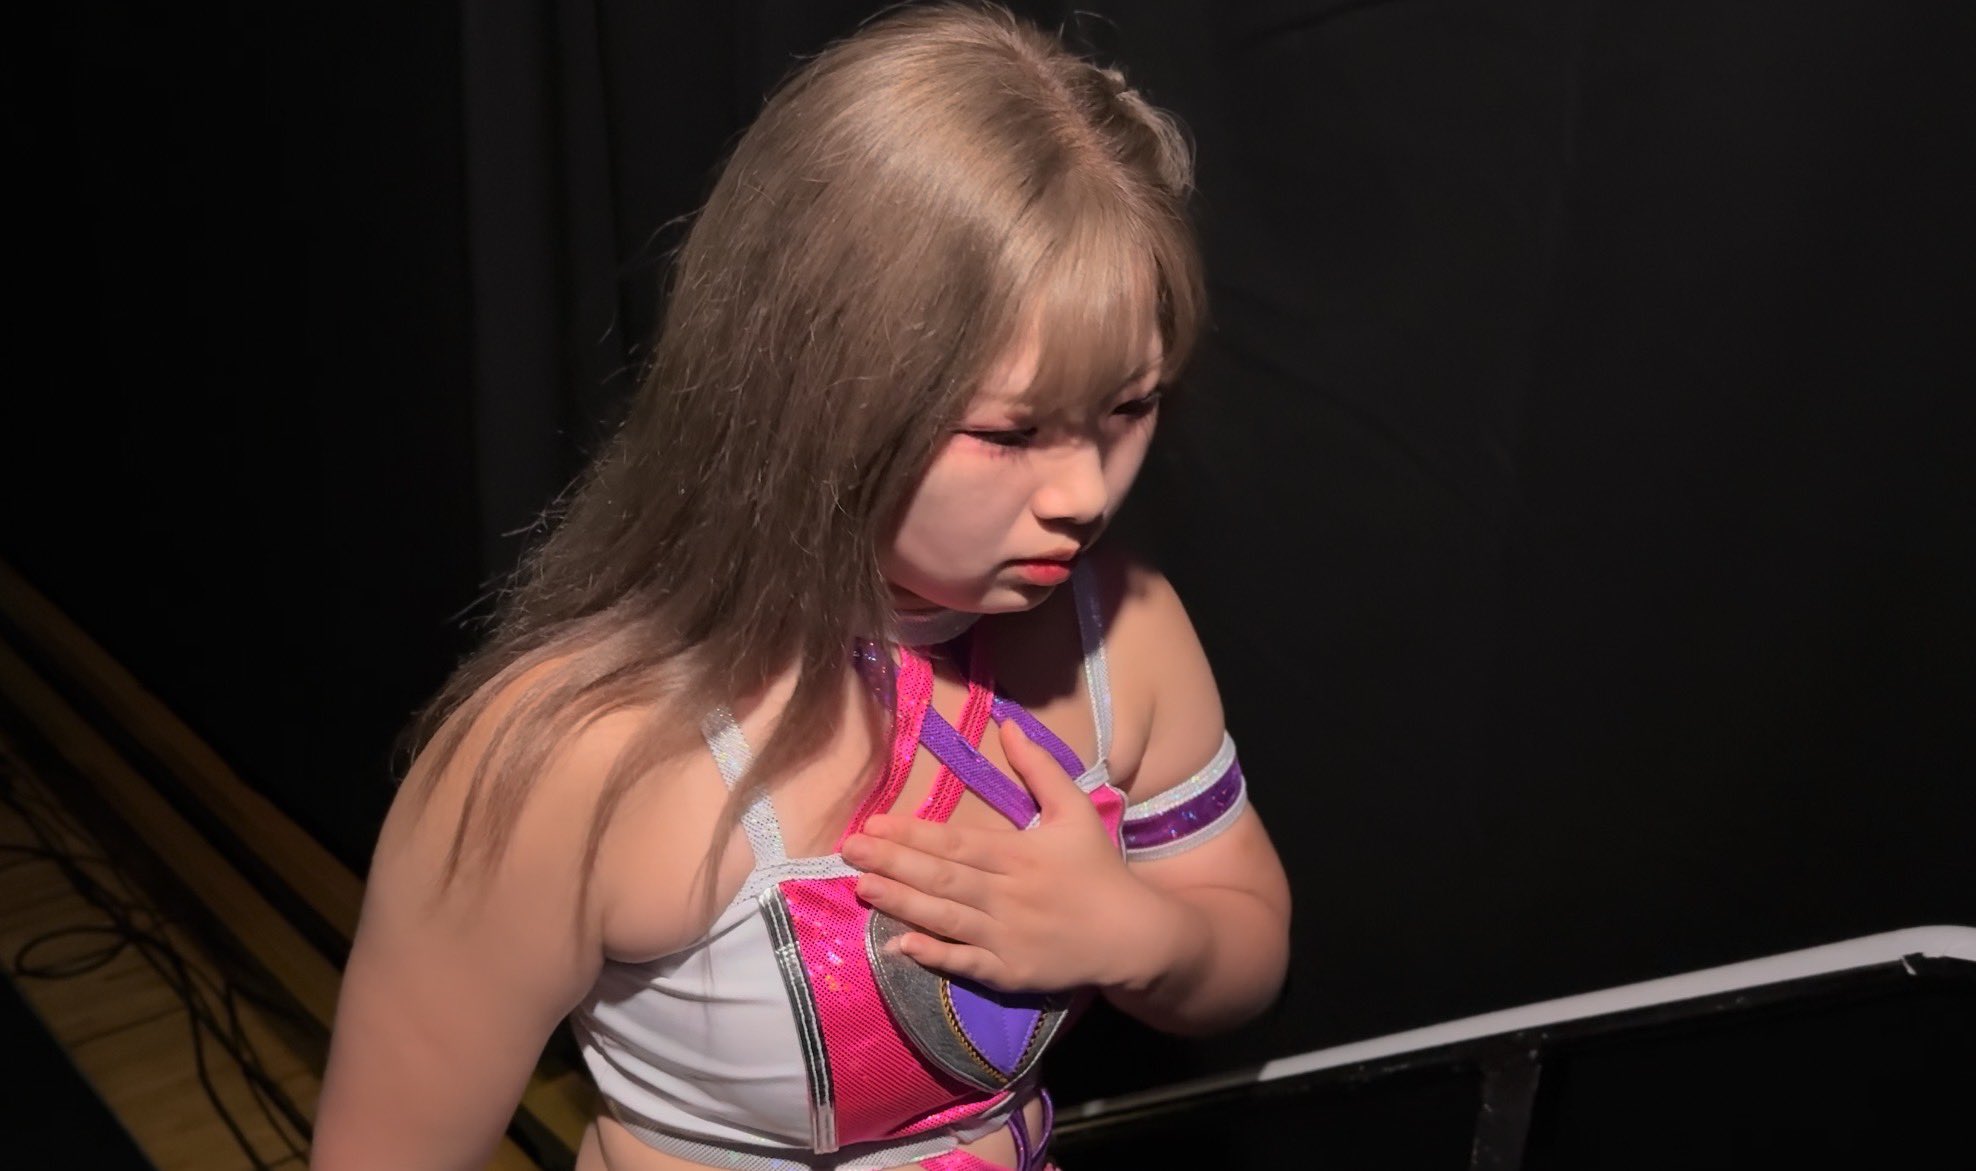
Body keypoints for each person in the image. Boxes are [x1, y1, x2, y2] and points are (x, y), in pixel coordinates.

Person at [311, 4, 1291, 1169]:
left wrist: (1137, 935)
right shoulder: (569, 756)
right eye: (1008, 430)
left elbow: (1246, 954)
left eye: (1129, 406)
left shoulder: (1120, 633)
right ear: (820, 387)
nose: (1083, 491)